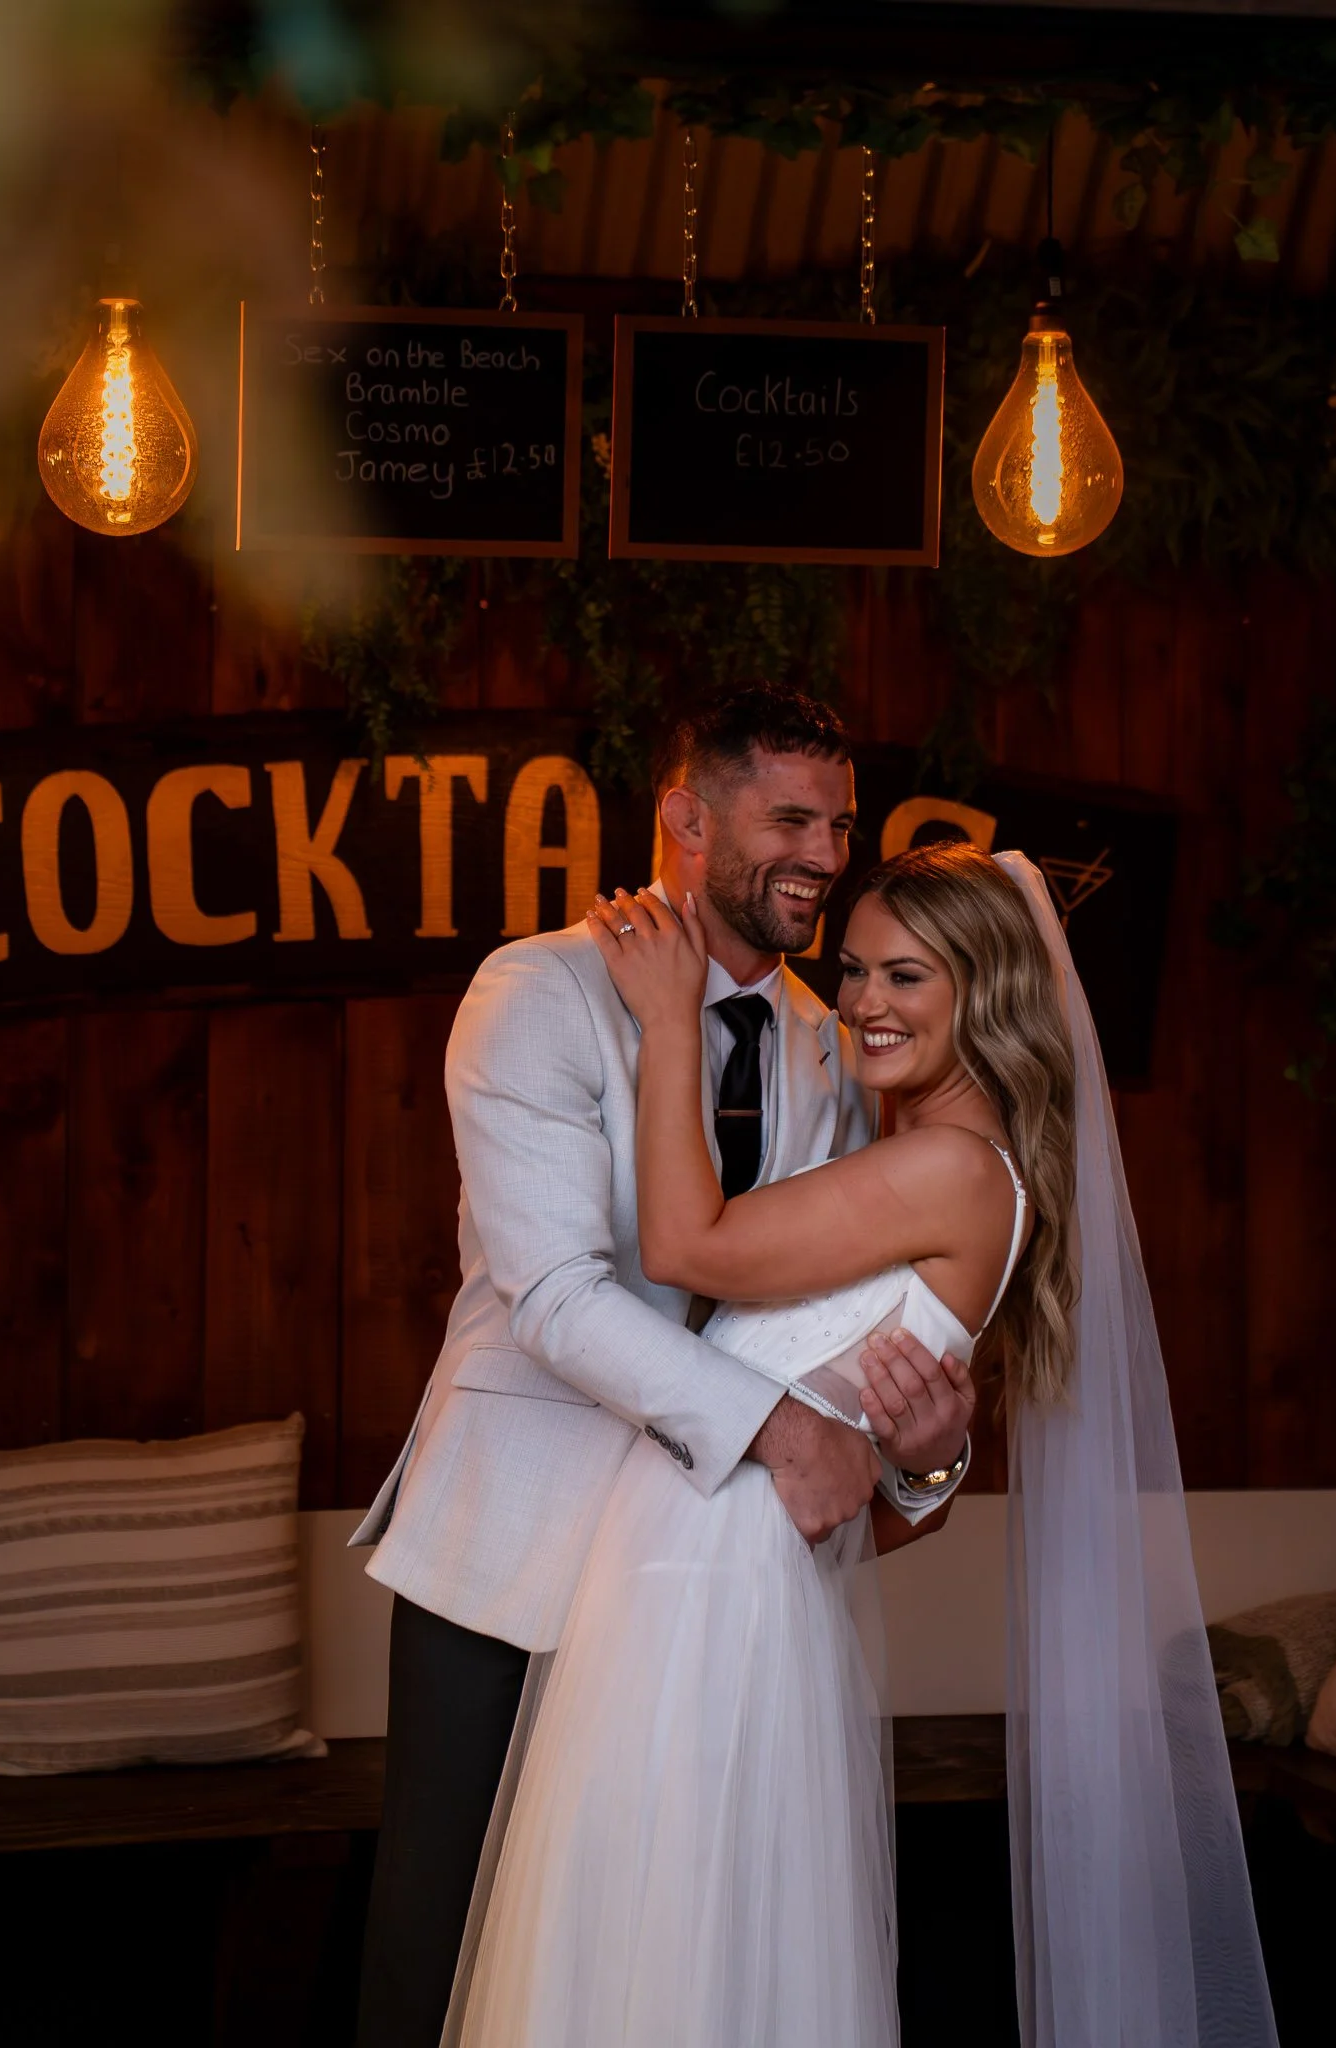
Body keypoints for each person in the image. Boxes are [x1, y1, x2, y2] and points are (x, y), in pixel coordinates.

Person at [440, 842, 1281, 2048]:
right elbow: (852, 1501)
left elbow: (682, 1242)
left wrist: (671, 1014)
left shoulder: (946, 1168)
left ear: (984, 991)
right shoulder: (927, 1161)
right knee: (664, 1948)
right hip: (717, 1575)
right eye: (853, 970)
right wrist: (931, 1464)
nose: (865, 1003)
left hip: (710, 1598)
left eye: (907, 976)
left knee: (661, 1954)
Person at [350, 686, 975, 2048]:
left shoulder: (834, 1044)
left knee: (662, 1976)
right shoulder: (534, 994)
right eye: (790, 816)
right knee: (445, 1962)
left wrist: (923, 1462)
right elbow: (559, 1298)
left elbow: (843, 1347)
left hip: (711, 1603)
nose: (824, 850)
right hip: (508, 1568)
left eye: (841, 822)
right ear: (685, 819)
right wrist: (768, 1430)